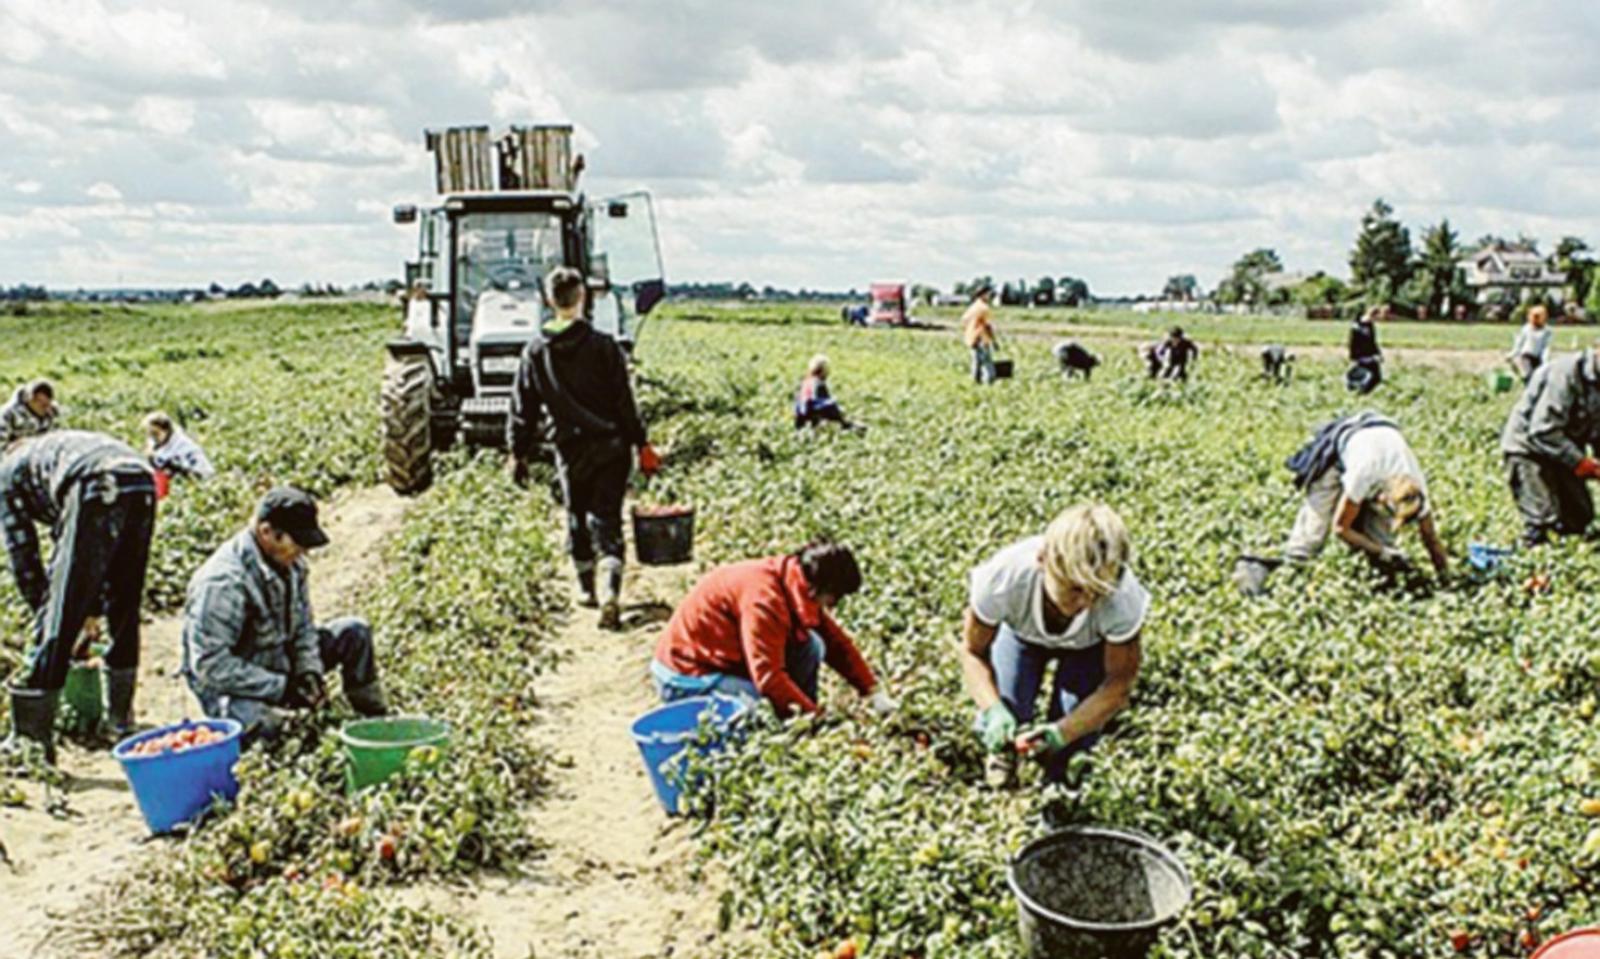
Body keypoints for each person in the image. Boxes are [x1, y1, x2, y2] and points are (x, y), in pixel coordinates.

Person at [507, 266, 660, 629]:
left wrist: (518, 452)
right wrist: (642, 443)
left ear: (548, 300)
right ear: (583, 298)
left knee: (576, 515)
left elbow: (522, 408)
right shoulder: (604, 347)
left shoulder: (535, 352)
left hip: (570, 449)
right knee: (606, 516)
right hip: (611, 447)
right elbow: (625, 403)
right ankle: (611, 589)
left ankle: (587, 589)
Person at [959, 504, 1147, 788]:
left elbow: (1118, 684)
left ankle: (1059, 787)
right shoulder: (1004, 579)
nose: (1085, 603)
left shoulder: (1121, 599)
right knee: (1010, 706)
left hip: (1088, 648)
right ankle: (1002, 758)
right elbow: (972, 652)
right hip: (1022, 636)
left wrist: (1063, 732)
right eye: (1074, 588)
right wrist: (993, 709)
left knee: (1076, 737)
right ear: (1043, 560)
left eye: (1096, 592)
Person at [181, 488, 388, 743]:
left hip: (279, 660)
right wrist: (282, 689)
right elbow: (210, 666)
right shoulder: (223, 583)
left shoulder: (292, 564)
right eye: (297, 542)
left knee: (354, 632)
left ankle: (374, 719)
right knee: (274, 728)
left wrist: (307, 672)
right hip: (234, 685)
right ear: (266, 532)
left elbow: (303, 628)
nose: (304, 551)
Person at [1, 431, 156, 762]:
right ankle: (120, 719)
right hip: (142, 478)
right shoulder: (51, 454)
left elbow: (24, 556)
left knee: (62, 607)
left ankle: (31, 739)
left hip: (95, 479)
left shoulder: (7, 474)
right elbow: (97, 555)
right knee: (125, 599)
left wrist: (46, 616)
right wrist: (93, 610)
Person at [651, 541, 897, 718]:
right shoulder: (765, 600)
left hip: (722, 659)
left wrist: (872, 691)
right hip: (687, 675)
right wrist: (815, 718)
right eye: (834, 598)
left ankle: (797, 716)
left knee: (812, 645)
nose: (833, 606)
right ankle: (796, 723)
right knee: (759, 713)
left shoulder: (794, 581)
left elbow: (835, 643)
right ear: (818, 589)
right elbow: (768, 678)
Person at [1280, 412, 1447, 574]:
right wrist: (1381, 551)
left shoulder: (1417, 490)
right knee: (1315, 525)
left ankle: (1375, 574)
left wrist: (1445, 577)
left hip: (1383, 435)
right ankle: (1294, 566)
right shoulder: (1364, 475)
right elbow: (1340, 528)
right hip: (1349, 439)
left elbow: (1430, 538)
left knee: (1380, 539)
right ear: (1382, 498)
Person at [1501, 342, 1600, 546]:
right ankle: (1529, 565)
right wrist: (1580, 462)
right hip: (1527, 447)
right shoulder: (1566, 374)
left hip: (1562, 450)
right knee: (1542, 520)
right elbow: (1543, 430)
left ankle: (1567, 567)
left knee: (1580, 516)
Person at [143, 412, 215, 481]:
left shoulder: (185, 446)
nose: (153, 437)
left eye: (155, 433)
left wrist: (178, 468)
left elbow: (205, 473)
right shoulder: (155, 445)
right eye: (149, 434)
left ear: (166, 430)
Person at [794, 355, 854, 430]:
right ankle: (845, 426)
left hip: (801, 412)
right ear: (822, 370)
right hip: (812, 409)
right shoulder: (819, 383)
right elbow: (823, 400)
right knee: (833, 404)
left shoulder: (805, 381)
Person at [1, 380, 59, 446]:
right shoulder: (8, 414)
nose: (45, 408)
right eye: (39, 401)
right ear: (29, 399)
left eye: (47, 403)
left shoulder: (51, 413)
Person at [1508, 305, 1554, 384]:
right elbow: (1519, 344)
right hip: (1526, 356)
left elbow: (1546, 347)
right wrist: (1512, 354)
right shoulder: (1526, 329)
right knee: (1528, 376)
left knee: (1539, 377)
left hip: (1537, 358)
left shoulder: (1547, 331)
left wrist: (1545, 362)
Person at [961, 285, 998, 385]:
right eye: (988, 294)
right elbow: (987, 326)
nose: (990, 296)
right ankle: (989, 383)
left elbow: (963, 321)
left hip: (971, 339)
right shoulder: (983, 308)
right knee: (987, 363)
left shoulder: (972, 307)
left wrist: (969, 332)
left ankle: (974, 383)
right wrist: (993, 341)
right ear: (983, 294)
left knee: (976, 363)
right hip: (981, 338)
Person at [1347, 305, 1385, 394]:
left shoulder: (1370, 326)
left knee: (1376, 377)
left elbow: (1372, 342)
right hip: (1361, 355)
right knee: (1371, 376)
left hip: (1369, 355)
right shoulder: (1357, 326)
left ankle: (1362, 391)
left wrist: (1378, 354)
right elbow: (1354, 343)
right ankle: (1359, 390)